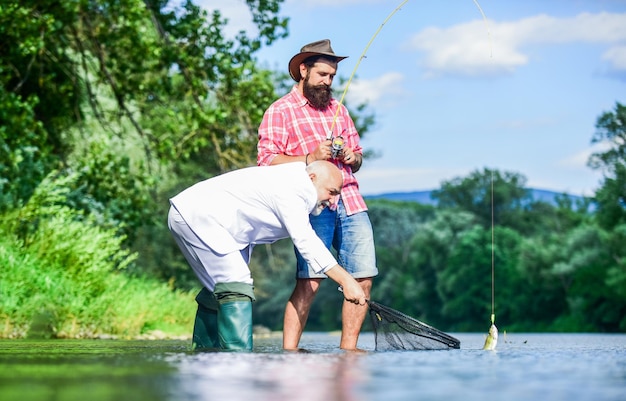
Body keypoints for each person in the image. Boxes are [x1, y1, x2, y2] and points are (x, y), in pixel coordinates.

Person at [168, 161, 367, 351]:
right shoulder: (296, 187)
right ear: (312, 178)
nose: (333, 200)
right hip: (198, 216)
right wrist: (346, 280)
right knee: (236, 282)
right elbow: (306, 241)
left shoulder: (293, 182)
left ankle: (205, 354)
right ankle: (238, 361)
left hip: (193, 216)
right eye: (331, 192)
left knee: (219, 289)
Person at [257, 39, 378, 350]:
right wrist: (309, 157)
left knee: (363, 279)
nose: (328, 82)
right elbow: (266, 161)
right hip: (313, 207)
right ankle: (290, 352)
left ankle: (348, 351)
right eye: (322, 74)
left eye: (333, 77)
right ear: (303, 70)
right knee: (310, 281)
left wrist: (352, 157)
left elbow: (360, 157)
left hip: (350, 202)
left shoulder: (339, 110)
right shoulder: (279, 111)